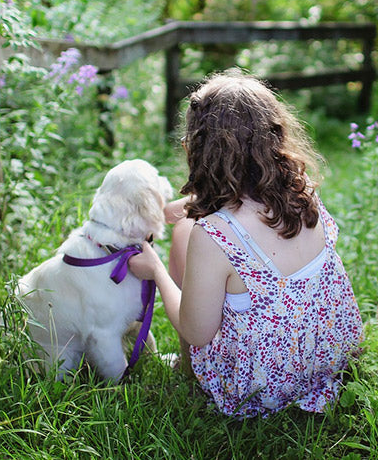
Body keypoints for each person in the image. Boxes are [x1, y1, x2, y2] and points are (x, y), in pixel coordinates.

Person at [127, 71, 363, 418]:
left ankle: (189, 370)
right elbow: (239, 211)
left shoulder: (212, 235)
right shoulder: (303, 192)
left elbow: (197, 332)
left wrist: (157, 272)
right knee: (187, 225)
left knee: (183, 233)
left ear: (198, 148)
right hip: (328, 356)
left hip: (261, 385)